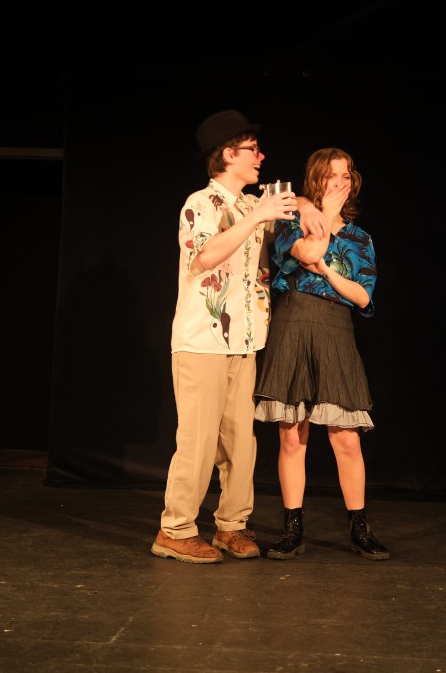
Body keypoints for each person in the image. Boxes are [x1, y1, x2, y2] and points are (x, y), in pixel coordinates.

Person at [151, 109, 327, 564]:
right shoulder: (201, 204)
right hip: (202, 341)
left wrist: (304, 205)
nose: (261, 157)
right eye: (253, 150)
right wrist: (258, 216)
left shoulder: (251, 205)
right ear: (228, 154)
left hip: (244, 341)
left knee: (240, 442)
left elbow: (291, 211)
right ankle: (175, 529)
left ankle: (231, 525)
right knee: (198, 440)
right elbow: (205, 256)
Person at [254, 147, 389, 561]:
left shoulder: (360, 239)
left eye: (347, 175)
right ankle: (292, 528)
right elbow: (308, 253)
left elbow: (363, 296)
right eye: (333, 175)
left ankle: (359, 528)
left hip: (335, 330)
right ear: (316, 178)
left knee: (346, 438)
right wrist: (323, 216)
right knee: (292, 434)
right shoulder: (291, 223)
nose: (341, 182)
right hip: (294, 324)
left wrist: (329, 271)